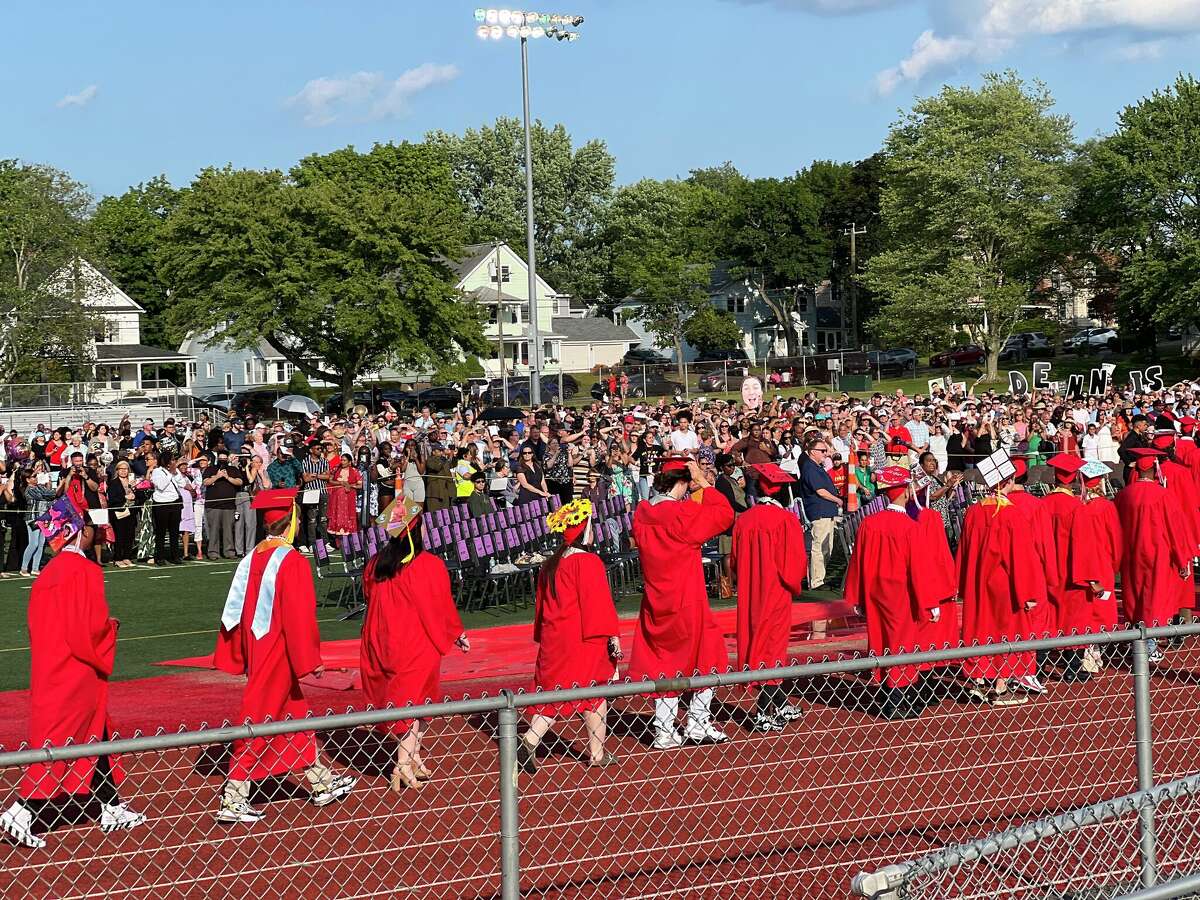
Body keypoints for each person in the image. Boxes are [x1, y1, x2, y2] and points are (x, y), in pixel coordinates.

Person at [1, 499, 145, 849]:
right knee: (66, 738)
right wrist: (110, 629)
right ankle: (23, 809)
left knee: (99, 734)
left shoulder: (49, 572)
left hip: (52, 664)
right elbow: (89, 628)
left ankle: (110, 804)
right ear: (77, 531)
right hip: (76, 669)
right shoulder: (82, 571)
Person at [213, 488, 356, 823]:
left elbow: (237, 611)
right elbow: (298, 615)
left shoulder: (252, 558)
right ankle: (233, 796)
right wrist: (310, 659)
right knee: (259, 718)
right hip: (277, 653)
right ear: (291, 520)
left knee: (295, 716)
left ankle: (320, 782)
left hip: (257, 646)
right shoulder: (291, 560)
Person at [359, 498, 469, 792]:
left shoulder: (376, 564)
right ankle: (402, 764)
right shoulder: (428, 565)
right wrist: (456, 632)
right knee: (412, 700)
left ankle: (415, 755)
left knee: (413, 699)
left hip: (382, 639)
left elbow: (368, 596)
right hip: (415, 642)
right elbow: (439, 606)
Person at [629, 458, 734, 749]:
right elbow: (724, 515)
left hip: (655, 599)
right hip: (687, 599)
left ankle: (664, 729)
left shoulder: (642, 514)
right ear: (683, 482)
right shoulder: (681, 515)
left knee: (664, 663)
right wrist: (703, 482)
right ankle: (698, 722)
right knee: (708, 657)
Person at [517, 498, 622, 773]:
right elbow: (597, 604)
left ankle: (597, 752)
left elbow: (541, 608)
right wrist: (612, 636)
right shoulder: (587, 562)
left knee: (587, 693)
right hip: (582, 638)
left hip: (556, 638)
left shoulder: (551, 565)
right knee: (579, 690)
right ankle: (529, 739)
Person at [845, 466, 958, 719]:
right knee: (903, 645)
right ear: (907, 491)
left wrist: (857, 596)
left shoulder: (869, 523)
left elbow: (858, 562)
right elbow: (919, 569)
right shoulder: (909, 527)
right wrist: (930, 602)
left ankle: (888, 695)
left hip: (876, 593)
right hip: (901, 596)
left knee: (880, 641)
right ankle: (896, 700)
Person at [956, 451, 1046, 706]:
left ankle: (979, 680)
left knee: (980, 628)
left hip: (978, 581)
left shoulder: (974, 511)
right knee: (1005, 632)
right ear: (1009, 481)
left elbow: (964, 549)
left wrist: (963, 581)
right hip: (1004, 584)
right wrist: (1027, 593)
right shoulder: (1011, 514)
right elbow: (1020, 557)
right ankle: (1001, 685)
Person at [731, 464, 807, 732]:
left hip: (752, 591)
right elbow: (793, 565)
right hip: (775, 592)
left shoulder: (745, 519)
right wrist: (794, 584)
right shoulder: (785, 520)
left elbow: (736, 561)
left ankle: (780, 701)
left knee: (757, 641)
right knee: (772, 647)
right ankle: (763, 710)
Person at [1115, 448, 1194, 662]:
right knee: (1154, 597)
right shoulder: (1163, 495)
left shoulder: (1124, 494)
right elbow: (1174, 528)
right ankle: (1148, 645)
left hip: (1131, 552)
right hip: (1157, 553)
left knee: (1134, 596)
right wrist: (1182, 558)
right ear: (1155, 468)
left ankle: (1137, 641)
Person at [1064, 460, 1123, 678]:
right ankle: (1094, 650)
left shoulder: (1080, 506)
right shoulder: (1106, 507)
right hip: (1102, 562)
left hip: (1082, 562)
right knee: (1102, 609)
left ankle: (1087, 650)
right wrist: (1115, 563)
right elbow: (1115, 539)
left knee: (1086, 609)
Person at [798, 435, 843, 591]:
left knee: (827, 547)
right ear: (812, 452)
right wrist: (837, 500)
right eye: (822, 451)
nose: (826, 453)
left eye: (826, 450)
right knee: (819, 547)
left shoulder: (817, 467)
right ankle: (817, 581)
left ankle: (820, 578)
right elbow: (820, 491)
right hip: (819, 510)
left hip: (826, 510)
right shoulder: (809, 468)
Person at [202, 451, 243, 559]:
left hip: (229, 506)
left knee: (228, 530)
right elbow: (206, 482)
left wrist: (227, 477)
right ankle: (213, 552)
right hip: (213, 505)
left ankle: (229, 552)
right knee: (213, 530)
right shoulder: (210, 469)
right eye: (221, 459)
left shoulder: (233, 470)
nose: (222, 461)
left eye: (224, 459)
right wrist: (217, 476)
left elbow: (239, 482)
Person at [149, 452, 185, 566]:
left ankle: (175, 555)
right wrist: (170, 474)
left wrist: (176, 473)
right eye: (172, 460)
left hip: (175, 503)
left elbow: (182, 483)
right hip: (161, 504)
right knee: (161, 532)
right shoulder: (157, 471)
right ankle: (160, 556)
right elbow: (161, 485)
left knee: (174, 531)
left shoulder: (175, 471)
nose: (174, 462)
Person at [325, 453, 362, 537]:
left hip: (348, 500)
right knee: (337, 515)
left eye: (344, 460)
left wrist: (349, 485)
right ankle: (337, 540)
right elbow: (330, 481)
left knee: (347, 516)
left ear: (349, 462)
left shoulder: (354, 471)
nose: (342, 462)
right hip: (336, 500)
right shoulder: (336, 469)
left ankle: (348, 538)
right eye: (341, 460)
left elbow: (360, 485)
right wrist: (341, 483)